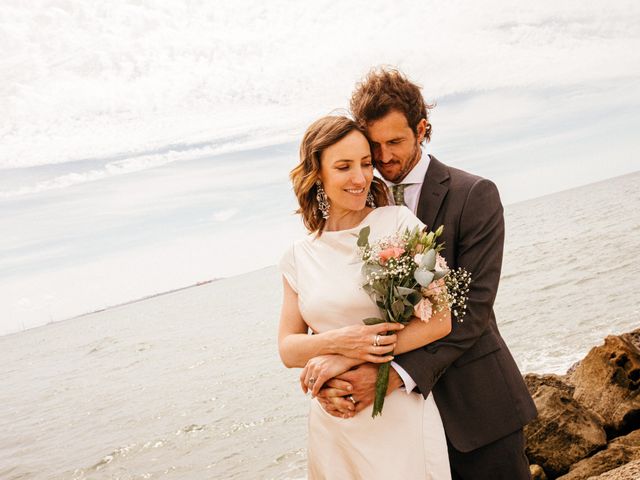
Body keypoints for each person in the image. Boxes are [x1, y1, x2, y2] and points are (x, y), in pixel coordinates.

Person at [314, 68, 538, 479]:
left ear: (422, 129)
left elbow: (472, 311)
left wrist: (390, 377)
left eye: (395, 142)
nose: (382, 158)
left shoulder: (474, 195)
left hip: (476, 411)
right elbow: (341, 306)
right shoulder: (361, 208)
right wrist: (331, 368)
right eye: (373, 146)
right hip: (398, 431)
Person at [278, 115, 453, 479]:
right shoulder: (298, 256)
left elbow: (440, 320)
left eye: (366, 163)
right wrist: (340, 343)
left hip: (398, 415)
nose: (360, 178)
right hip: (334, 424)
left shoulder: (400, 223)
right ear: (318, 174)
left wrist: (345, 360)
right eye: (343, 167)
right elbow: (288, 348)